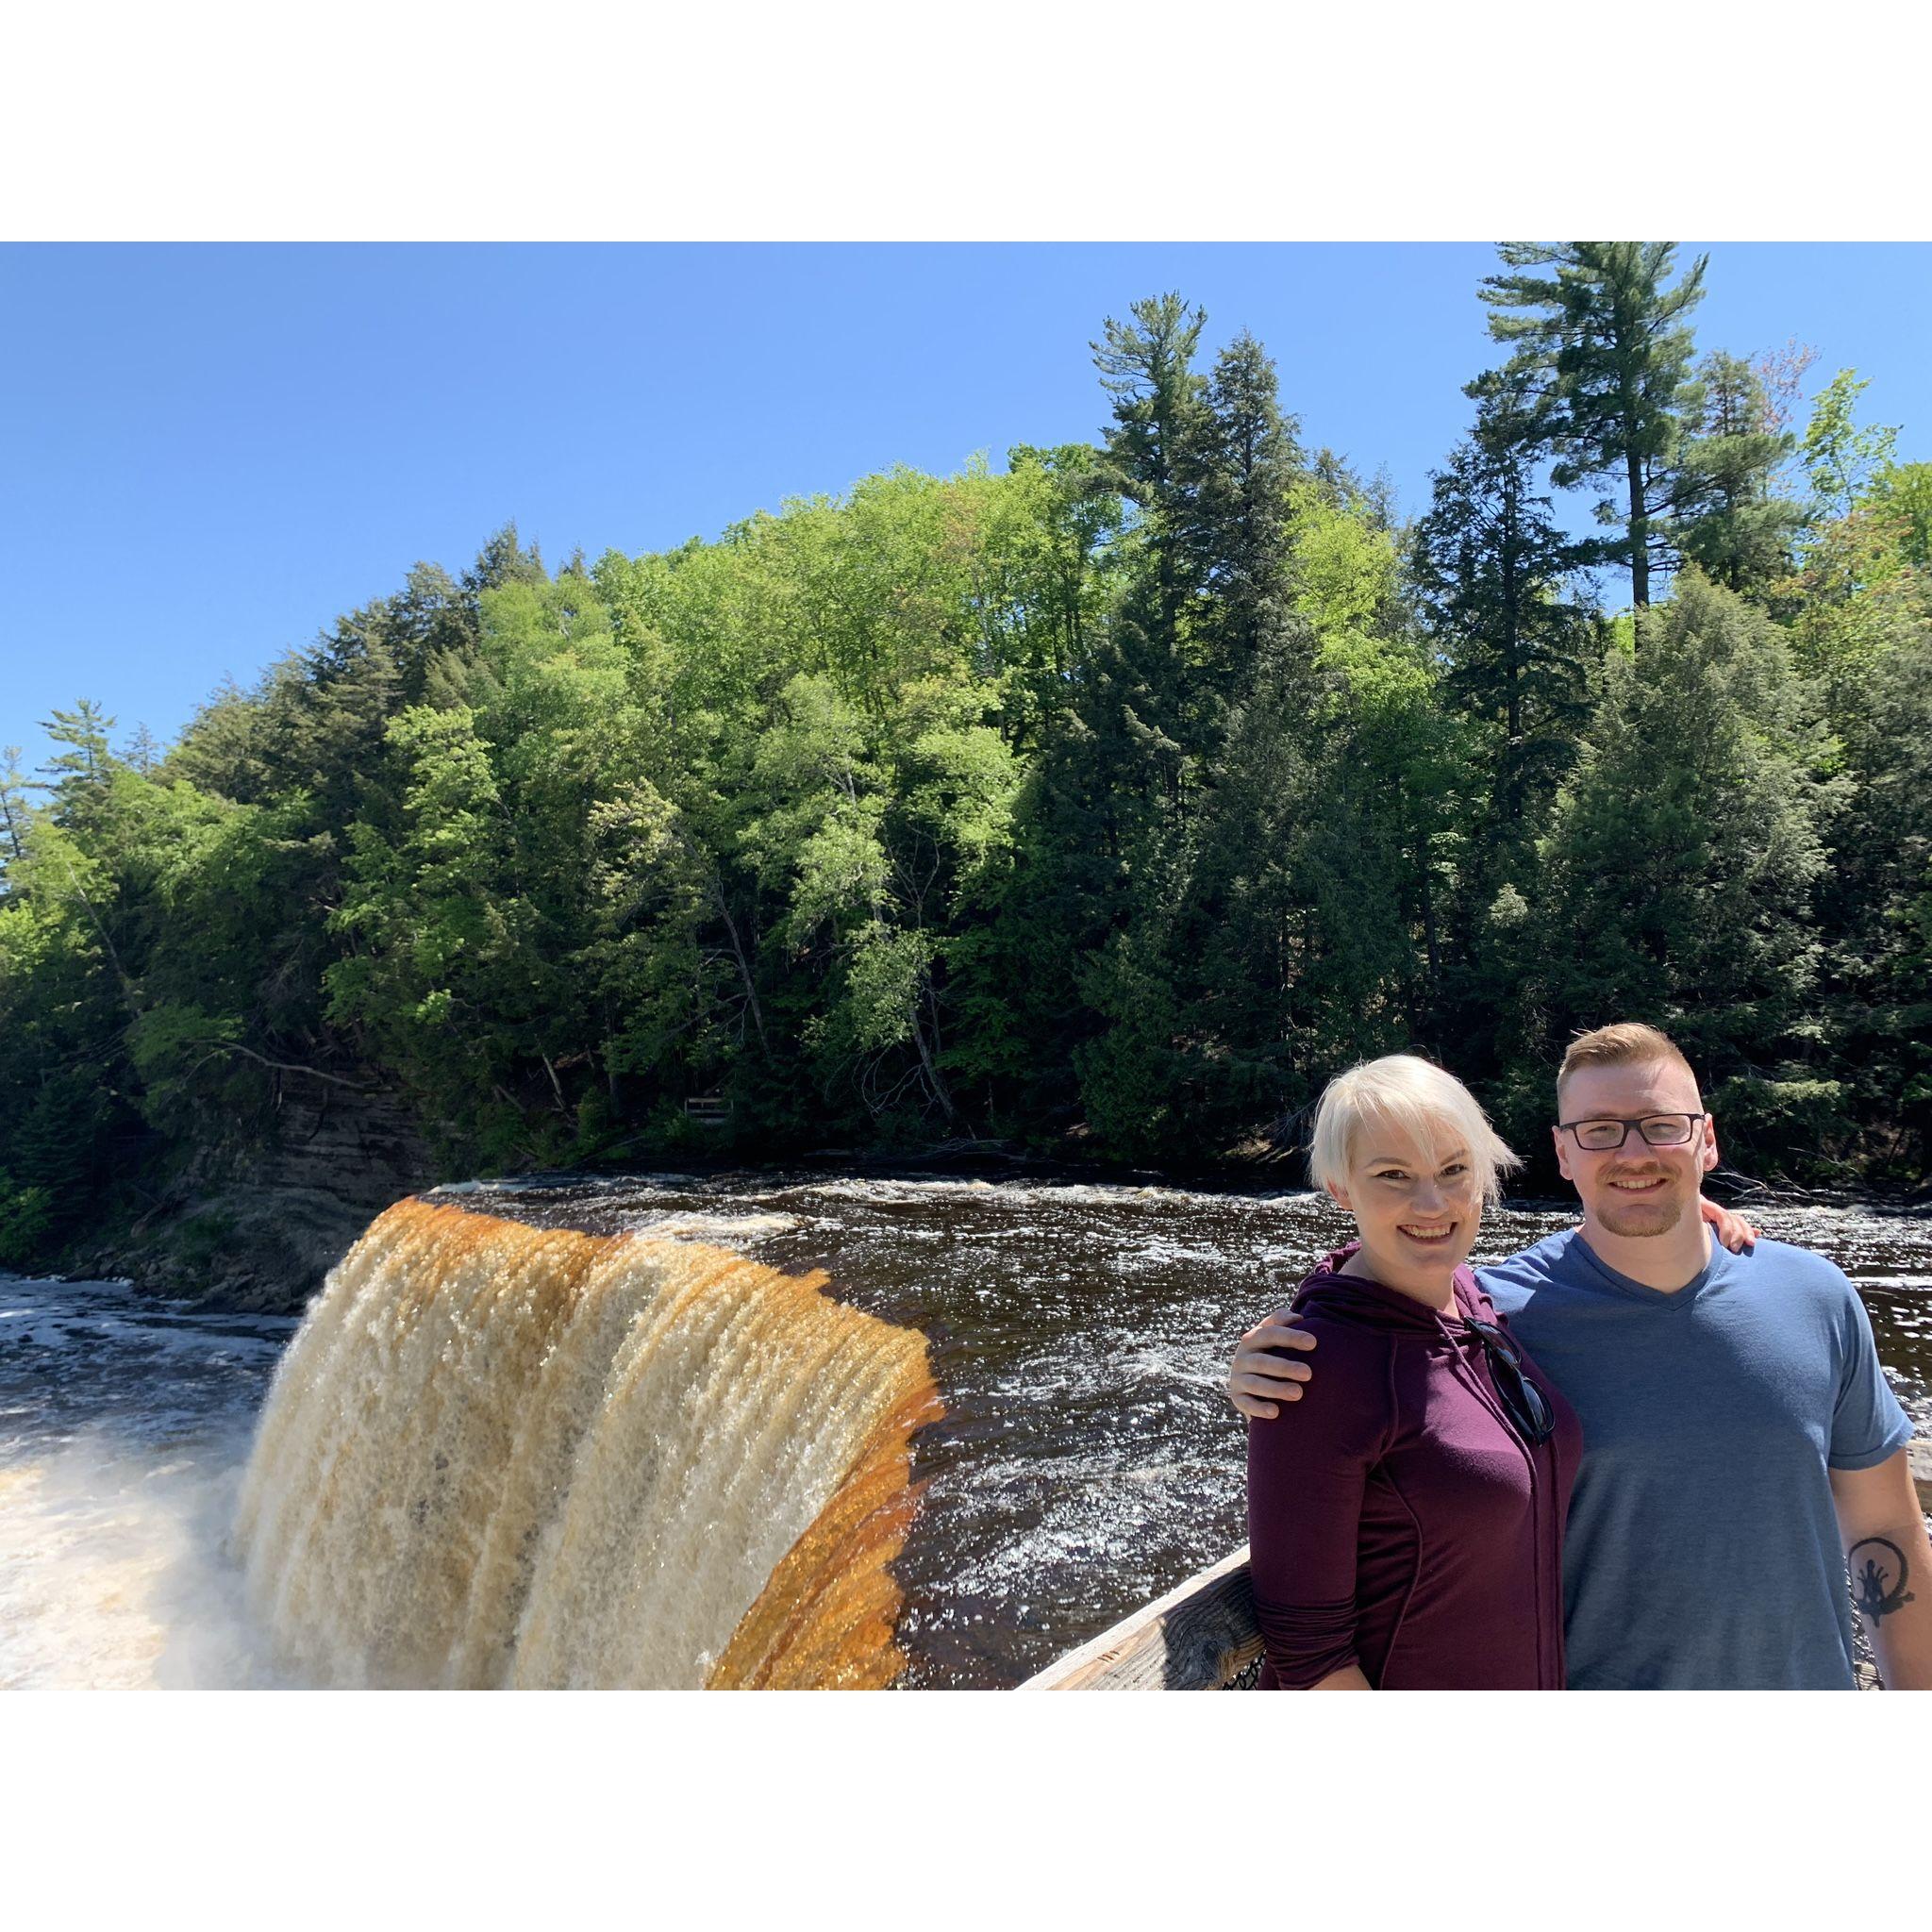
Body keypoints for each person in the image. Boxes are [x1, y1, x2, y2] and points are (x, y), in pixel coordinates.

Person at [1229, 1023, 1932, 1690]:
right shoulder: (1501, 1315)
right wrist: (1282, 1346)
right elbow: (1386, 1298)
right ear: (1564, 1153)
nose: (1632, 1154)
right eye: (1601, 1132)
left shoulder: (1815, 1295)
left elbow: (1886, 1524)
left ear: (1706, 1140)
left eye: (1661, 1127)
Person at [1247, 1054, 1582, 1689]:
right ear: (1341, 1188)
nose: (1432, 1202)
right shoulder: (1313, 1369)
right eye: (1393, 1175)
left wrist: (1693, 1212)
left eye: (1454, 1169)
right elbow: (1310, 1659)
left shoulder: (1474, 1299)